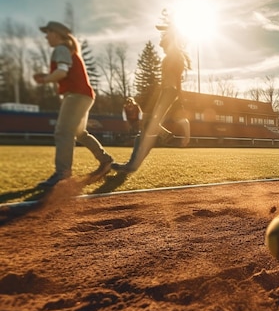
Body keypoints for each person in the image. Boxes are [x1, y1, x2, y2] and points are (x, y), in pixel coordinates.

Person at [33, 21, 113, 187]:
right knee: (79, 133)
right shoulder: (68, 50)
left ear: (56, 34)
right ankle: (106, 161)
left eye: (48, 33)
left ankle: (63, 174)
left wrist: (45, 79)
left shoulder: (61, 49)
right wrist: (48, 76)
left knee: (63, 132)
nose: (46, 37)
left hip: (76, 95)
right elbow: (63, 71)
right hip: (85, 95)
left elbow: (62, 72)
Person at [112, 10, 191, 173]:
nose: (161, 42)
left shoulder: (174, 54)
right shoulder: (172, 55)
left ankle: (164, 136)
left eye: (163, 39)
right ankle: (132, 164)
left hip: (168, 92)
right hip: (167, 92)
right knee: (146, 130)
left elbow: (175, 81)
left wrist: (171, 27)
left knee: (149, 125)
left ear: (169, 39)